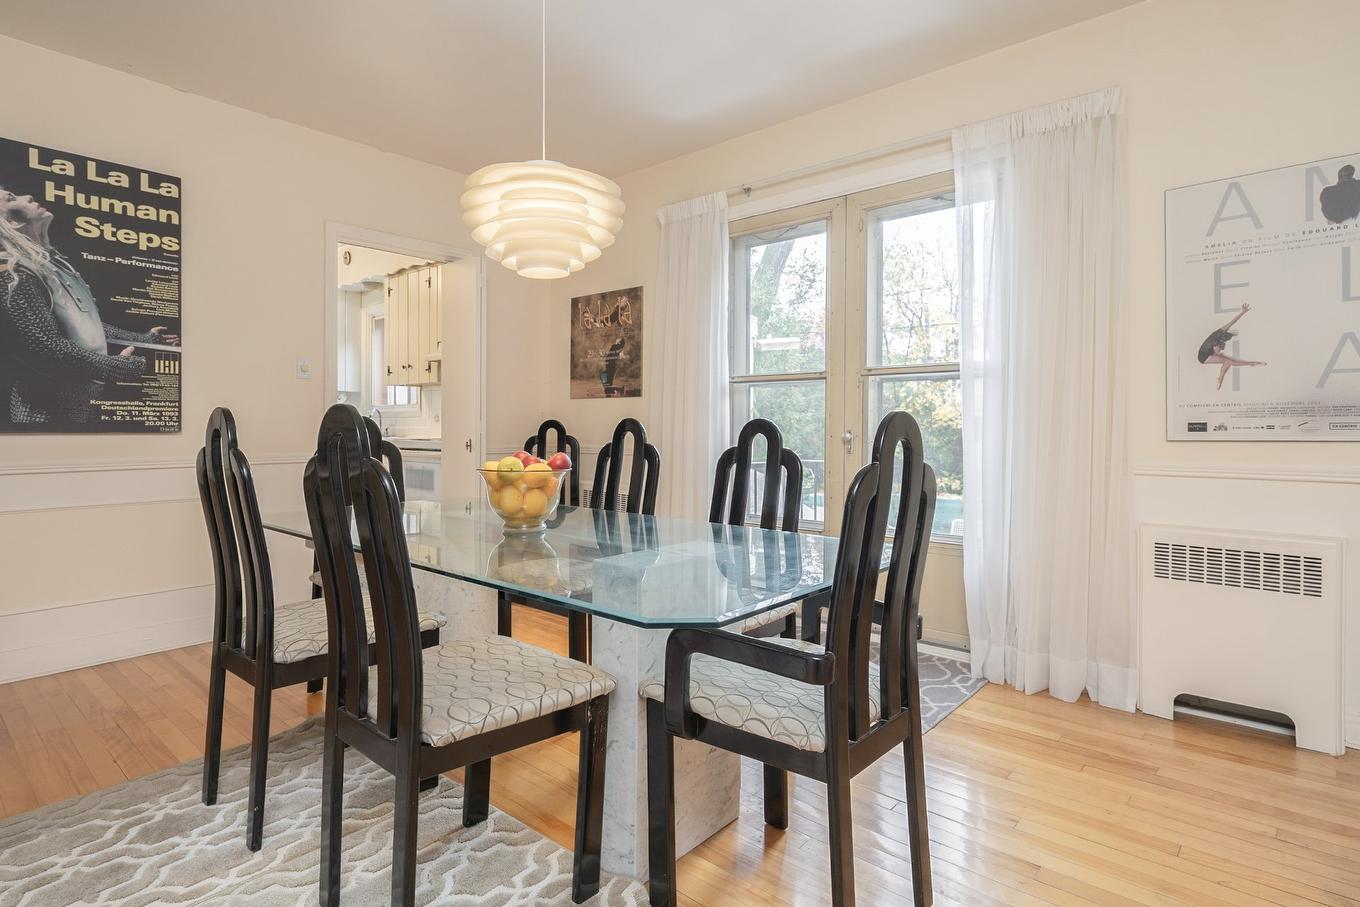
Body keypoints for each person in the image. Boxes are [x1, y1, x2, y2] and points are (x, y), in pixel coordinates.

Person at [0, 185, 178, 428]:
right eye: (11, 198)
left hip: (80, 403)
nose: (28, 195)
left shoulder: (53, 267)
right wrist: (117, 367)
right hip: (42, 410)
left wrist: (143, 338)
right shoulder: (12, 272)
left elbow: (82, 326)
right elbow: (46, 348)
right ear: (10, 223)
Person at [1196, 303, 1265, 390]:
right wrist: (1221, 348)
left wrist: (1243, 312)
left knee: (1229, 360)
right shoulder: (1216, 345)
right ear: (1221, 341)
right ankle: (1251, 364)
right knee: (1228, 362)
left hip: (1208, 350)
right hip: (1203, 357)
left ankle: (1251, 364)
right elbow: (1217, 352)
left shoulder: (1219, 331)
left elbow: (1233, 321)